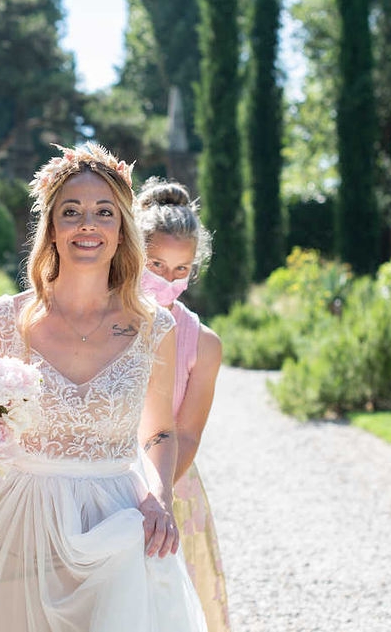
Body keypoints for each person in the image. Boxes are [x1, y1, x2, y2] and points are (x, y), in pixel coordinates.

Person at [0, 144, 208, 631]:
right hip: (19, 521)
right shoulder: (0, 320)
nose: (87, 224)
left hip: (115, 521)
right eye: (71, 212)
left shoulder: (155, 327)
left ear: (122, 229)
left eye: (104, 212)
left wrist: (159, 498)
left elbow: (159, 431)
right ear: (51, 228)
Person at [136, 177, 231, 632]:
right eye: (156, 265)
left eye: (181, 270)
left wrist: (152, 495)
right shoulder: (99, 320)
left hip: (168, 484)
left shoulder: (203, 344)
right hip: (96, 478)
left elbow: (188, 434)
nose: (167, 280)